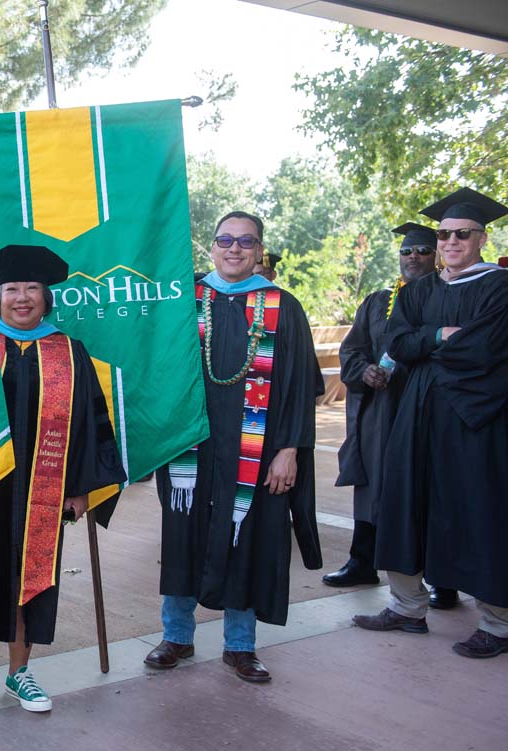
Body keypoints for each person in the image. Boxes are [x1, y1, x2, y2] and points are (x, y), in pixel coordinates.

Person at [0, 244, 125, 714]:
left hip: (43, 489)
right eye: (11, 288)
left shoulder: (69, 351)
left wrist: (81, 487)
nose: (21, 297)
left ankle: (19, 673)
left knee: (29, 577)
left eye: (31, 288)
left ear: (46, 296)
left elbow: (89, 423)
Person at [148, 211, 321, 683]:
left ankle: (240, 645)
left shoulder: (282, 305)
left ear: (259, 250)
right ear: (211, 246)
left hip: (257, 449)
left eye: (246, 242)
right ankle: (177, 636)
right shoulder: (185, 300)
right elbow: (155, 368)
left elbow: (302, 385)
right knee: (183, 536)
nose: (234, 248)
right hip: (191, 445)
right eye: (225, 239)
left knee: (245, 535)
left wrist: (290, 449)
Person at [353, 188, 508, 658]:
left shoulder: (499, 289)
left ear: (482, 237)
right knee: (402, 500)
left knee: (478, 510)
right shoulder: (418, 291)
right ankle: (407, 607)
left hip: (473, 416)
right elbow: (397, 344)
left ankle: (498, 624)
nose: (450, 243)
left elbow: (484, 349)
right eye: (444, 235)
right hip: (416, 412)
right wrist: (439, 335)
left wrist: (424, 346)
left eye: (462, 234)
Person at [325, 223, 437, 587]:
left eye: (422, 250)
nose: (413, 257)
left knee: (429, 488)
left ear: (436, 256)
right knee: (370, 483)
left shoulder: (446, 298)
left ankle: (441, 580)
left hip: (425, 410)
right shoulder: (378, 301)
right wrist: (364, 371)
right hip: (381, 409)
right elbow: (353, 349)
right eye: (407, 251)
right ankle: (362, 562)